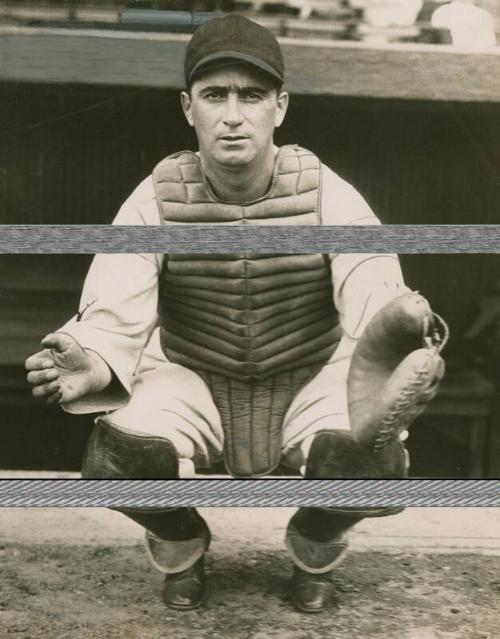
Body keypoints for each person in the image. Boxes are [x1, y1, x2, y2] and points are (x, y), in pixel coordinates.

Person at [25, 14, 438, 614]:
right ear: (188, 107)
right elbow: (115, 310)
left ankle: (315, 543)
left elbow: (372, 292)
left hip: (307, 369)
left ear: (281, 105)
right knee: (120, 453)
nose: (234, 114)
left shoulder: (326, 192)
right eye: (215, 96)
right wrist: (89, 363)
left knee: (367, 447)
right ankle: (181, 541)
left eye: (252, 95)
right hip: (195, 371)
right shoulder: (156, 197)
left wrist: (404, 340)